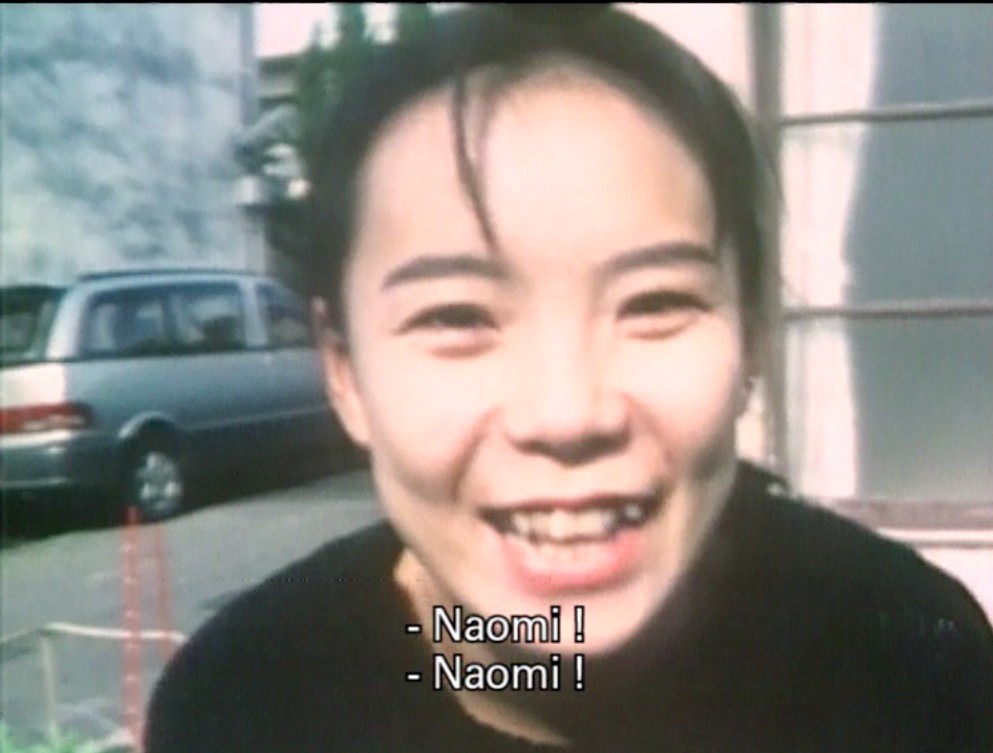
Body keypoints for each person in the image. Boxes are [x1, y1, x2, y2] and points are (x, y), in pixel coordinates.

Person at [145, 6, 993, 752]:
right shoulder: (250, 700)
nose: (566, 412)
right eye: (455, 316)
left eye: (655, 303)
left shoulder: (902, 656)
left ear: (754, 338)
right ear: (344, 371)